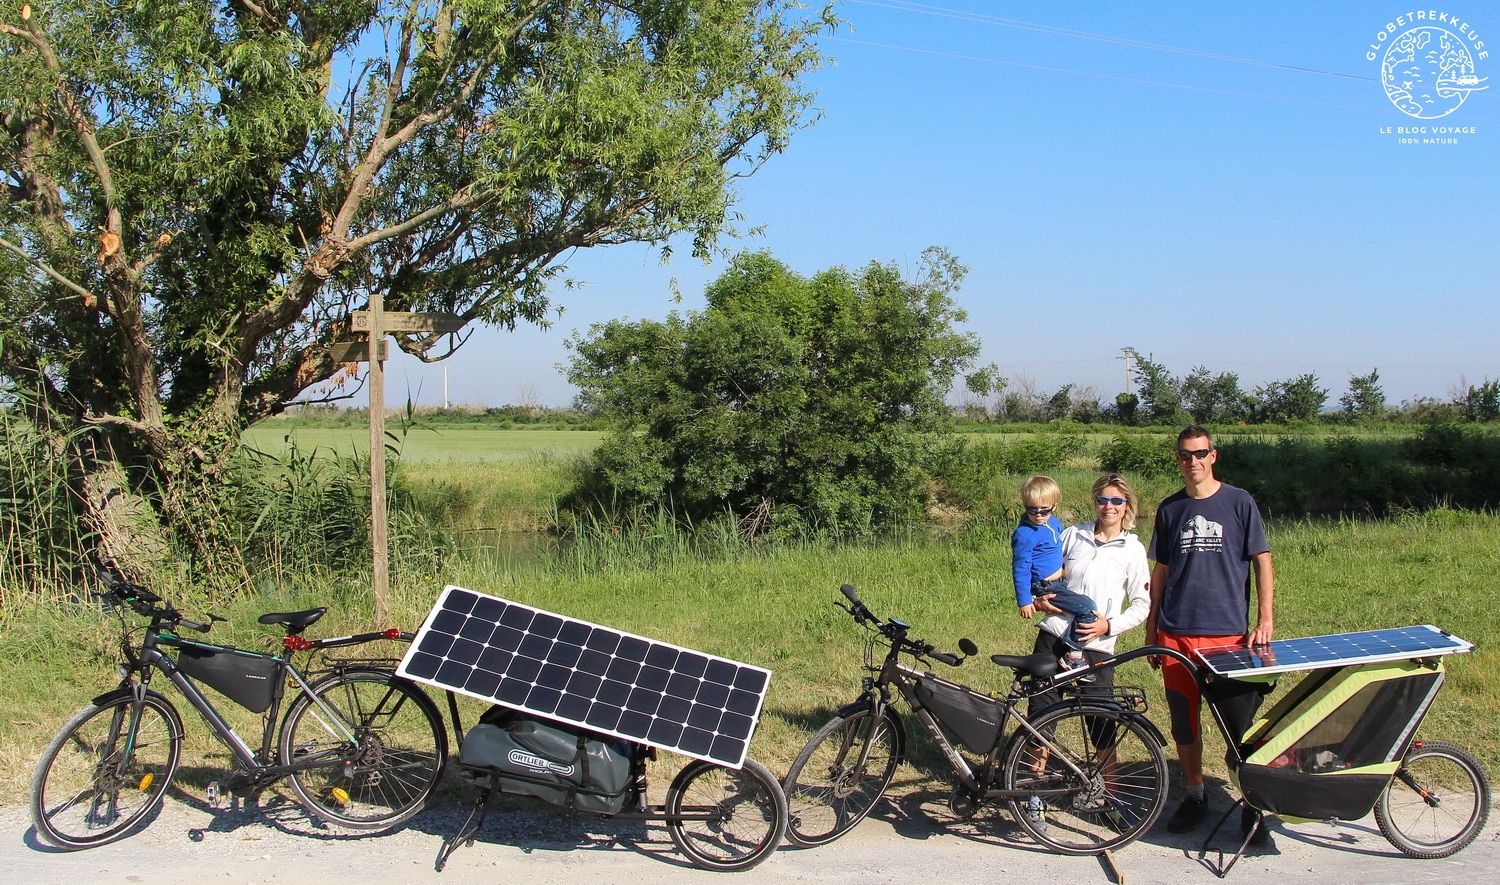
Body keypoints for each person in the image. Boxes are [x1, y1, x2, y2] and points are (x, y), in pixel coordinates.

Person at [1146, 425, 1275, 845]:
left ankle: (1252, 805)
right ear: (1178, 458)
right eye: (1185, 455)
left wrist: (1265, 618)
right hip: (1176, 634)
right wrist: (1152, 628)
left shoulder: (1240, 502)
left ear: (1213, 455)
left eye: (1200, 453)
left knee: (1238, 727)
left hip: (1228, 635)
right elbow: (1161, 571)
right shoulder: (1170, 509)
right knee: (1185, 723)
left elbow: (1262, 560)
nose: (1193, 461)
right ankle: (1196, 793)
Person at [1023, 473, 1153, 832]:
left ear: (1127, 506)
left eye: (1116, 501)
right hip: (1054, 637)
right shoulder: (1072, 535)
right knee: (1040, 715)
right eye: (1102, 500)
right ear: (1094, 502)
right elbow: (1046, 574)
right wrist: (1041, 599)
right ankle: (1034, 797)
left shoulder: (1133, 549)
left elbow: (1142, 604)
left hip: (1096, 647)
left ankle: (1110, 797)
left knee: (1101, 723)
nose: (1108, 507)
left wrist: (1108, 626)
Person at [1011, 476, 1099, 670]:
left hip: (1060, 581)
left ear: (1054, 506)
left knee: (1082, 606)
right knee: (1088, 608)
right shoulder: (1024, 534)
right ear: (1025, 506)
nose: (1038, 515)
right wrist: (1025, 600)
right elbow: (1020, 568)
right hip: (1045, 587)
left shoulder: (1055, 524)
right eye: (1032, 510)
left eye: (1045, 510)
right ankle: (1073, 654)